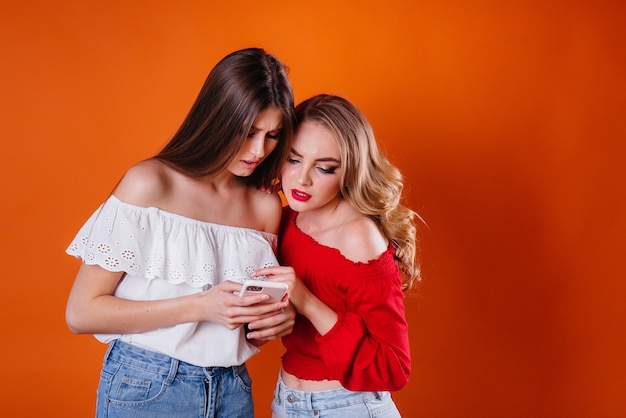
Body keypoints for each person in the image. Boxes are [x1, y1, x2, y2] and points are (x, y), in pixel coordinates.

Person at [65, 47, 297, 418]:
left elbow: (249, 324)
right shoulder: (149, 183)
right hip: (148, 386)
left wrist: (277, 322)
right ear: (217, 117)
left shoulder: (265, 206)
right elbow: (81, 312)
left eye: (272, 135)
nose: (258, 150)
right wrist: (200, 306)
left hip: (232, 389)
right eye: (248, 131)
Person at [255, 94, 420, 417]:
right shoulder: (285, 218)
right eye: (293, 159)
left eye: (325, 168)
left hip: (347, 407)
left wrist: (306, 301)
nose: (303, 179)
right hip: (286, 402)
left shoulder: (359, 238)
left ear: (350, 171)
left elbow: (394, 368)